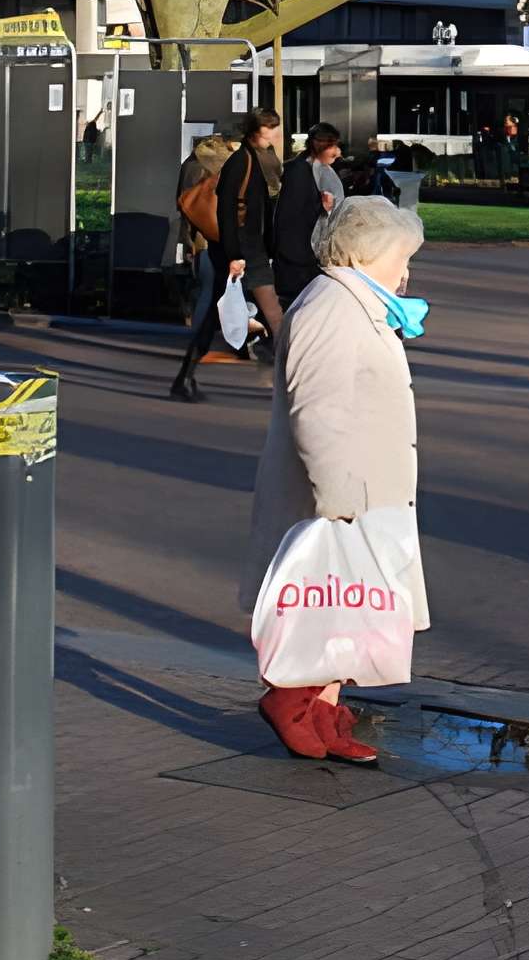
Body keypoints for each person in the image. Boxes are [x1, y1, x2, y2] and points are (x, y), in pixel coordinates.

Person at [242, 195, 431, 765]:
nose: (407, 271)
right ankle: (294, 703)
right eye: (403, 257)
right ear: (372, 253)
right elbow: (316, 412)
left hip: (368, 489)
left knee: (350, 610)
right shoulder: (332, 307)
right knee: (336, 603)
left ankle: (323, 710)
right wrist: (338, 500)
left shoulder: (354, 303)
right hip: (345, 494)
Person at [167, 130, 239, 401]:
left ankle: (189, 365)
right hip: (213, 240)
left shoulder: (191, 163)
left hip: (200, 240)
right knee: (210, 297)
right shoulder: (219, 165)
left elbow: (183, 205)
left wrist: (186, 241)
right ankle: (192, 357)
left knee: (208, 295)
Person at [212, 106, 288, 351]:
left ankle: (276, 348)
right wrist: (234, 253)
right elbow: (226, 209)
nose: (274, 137)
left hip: (252, 243)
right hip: (246, 243)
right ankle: (286, 355)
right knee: (271, 305)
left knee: (253, 303)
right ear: (255, 132)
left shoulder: (255, 157)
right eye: (269, 132)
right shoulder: (241, 161)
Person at [271, 123, 346, 305]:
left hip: (305, 256)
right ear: (319, 145)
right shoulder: (299, 171)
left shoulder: (312, 169)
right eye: (332, 146)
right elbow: (291, 216)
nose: (337, 152)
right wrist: (322, 208)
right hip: (298, 258)